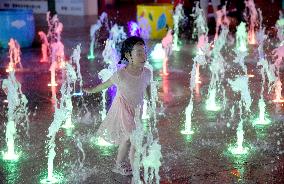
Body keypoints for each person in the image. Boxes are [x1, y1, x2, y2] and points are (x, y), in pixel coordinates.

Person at [84, 36, 151, 176]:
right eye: (138, 53)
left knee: (127, 139)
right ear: (128, 55)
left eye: (144, 52)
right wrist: (91, 90)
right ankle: (135, 169)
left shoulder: (147, 73)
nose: (143, 56)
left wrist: (149, 99)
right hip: (124, 109)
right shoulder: (121, 75)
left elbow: (146, 85)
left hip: (137, 110)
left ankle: (119, 164)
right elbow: (105, 85)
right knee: (133, 139)